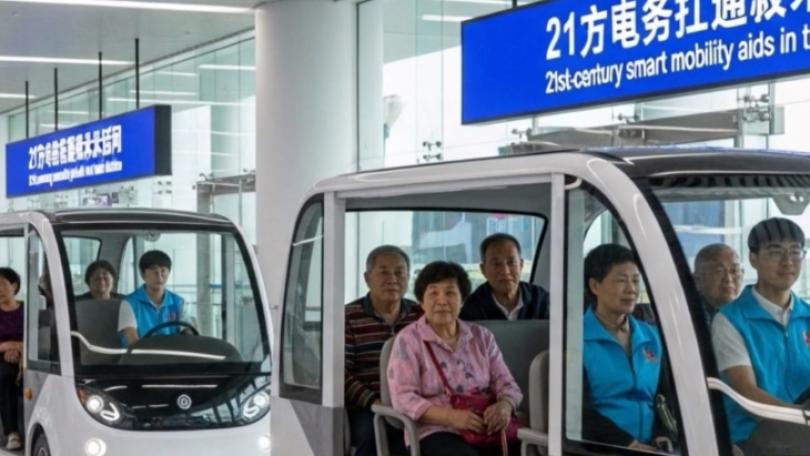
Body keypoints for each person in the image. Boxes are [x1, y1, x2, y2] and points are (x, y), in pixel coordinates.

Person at [388, 261, 522, 456]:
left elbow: (507, 383)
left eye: (450, 293)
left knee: (533, 448)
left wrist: (505, 406)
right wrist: (452, 417)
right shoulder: (408, 341)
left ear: (463, 300)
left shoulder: (481, 337)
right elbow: (403, 398)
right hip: (435, 431)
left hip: (486, 426)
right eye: (433, 293)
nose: (442, 301)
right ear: (421, 302)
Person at [711, 218, 810, 452]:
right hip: (755, 439)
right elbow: (747, 395)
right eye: (776, 252)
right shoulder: (730, 320)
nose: (788, 262)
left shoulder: (807, 316)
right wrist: (803, 418)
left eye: (795, 252)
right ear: (753, 258)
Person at [581, 244, 671, 451]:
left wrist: (663, 434)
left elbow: (665, 396)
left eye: (636, 281)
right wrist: (628, 444)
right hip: (601, 448)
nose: (631, 289)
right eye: (621, 281)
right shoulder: (575, 340)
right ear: (595, 286)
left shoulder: (652, 336)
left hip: (652, 447)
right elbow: (578, 412)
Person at [345, 245, 422, 456]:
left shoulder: (420, 315)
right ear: (367, 278)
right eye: (384, 272)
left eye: (399, 272)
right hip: (367, 406)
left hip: (415, 403)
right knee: (376, 434)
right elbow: (341, 374)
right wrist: (376, 402)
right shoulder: (348, 317)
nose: (392, 279)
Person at [460, 233, 549, 321]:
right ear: (483, 269)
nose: (505, 271)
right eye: (496, 264)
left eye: (511, 262)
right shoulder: (471, 307)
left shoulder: (541, 299)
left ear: (521, 265)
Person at [118, 250, 191, 346]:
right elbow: (132, 341)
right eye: (154, 271)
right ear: (143, 274)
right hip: (139, 354)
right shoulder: (129, 303)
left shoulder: (179, 302)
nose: (159, 276)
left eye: (163, 270)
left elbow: (189, 333)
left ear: (169, 273)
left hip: (171, 353)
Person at [0, 268, 23, 450]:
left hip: (26, 357)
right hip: (1, 358)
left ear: (14, 286)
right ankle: (12, 433)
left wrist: (18, 349)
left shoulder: (28, 310)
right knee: (6, 375)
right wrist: (7, 346)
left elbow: (39, 338)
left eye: (1, 284)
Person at [694, 244, 742, 329]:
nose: (728, 279)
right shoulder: (690, 316)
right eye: (719, 271)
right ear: (697, 280)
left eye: (734, 270)